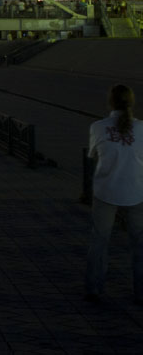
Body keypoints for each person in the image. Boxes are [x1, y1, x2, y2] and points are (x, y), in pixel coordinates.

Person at [85, 84, 143, 302]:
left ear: (110, 102)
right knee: (139, 243)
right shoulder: (142, 128)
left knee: (100, 240)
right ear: (132, 102)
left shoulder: (98, 127)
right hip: (138, 190)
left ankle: (94, 287)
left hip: (106, 190)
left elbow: (92, 155)